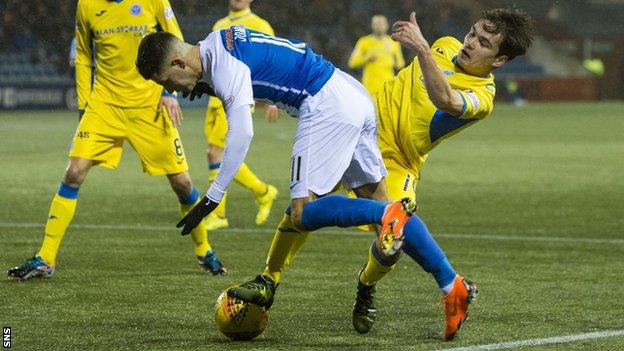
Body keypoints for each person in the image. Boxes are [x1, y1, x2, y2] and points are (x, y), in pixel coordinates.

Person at [349, 9, 536, 339]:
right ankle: (269, 280)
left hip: (399, 161)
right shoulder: (445, 44)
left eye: (483, 43)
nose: (470, 43)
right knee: (302, 204)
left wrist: (421, 48)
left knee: (392, 239)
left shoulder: (482, 97)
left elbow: (446, 99)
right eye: (473, 33)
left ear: (500, 60)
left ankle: (365, 286)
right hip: (356, 132)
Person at [7, 0, 226, 281]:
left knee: (183, 183)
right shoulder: (86, 5)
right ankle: (46, 259)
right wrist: (85, 107)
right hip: (104, 104)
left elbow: (176, 44)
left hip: (148, 104)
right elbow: (84, 55)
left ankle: (204, 250)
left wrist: (169, 94)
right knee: (74, 172)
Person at [202, 0, 279, 231]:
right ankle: (263, 192)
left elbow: (271, 59)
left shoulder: (259, 24)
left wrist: (272, 98)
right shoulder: (220, 24)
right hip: (214, 97)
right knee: (216, 152)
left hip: (236, 97)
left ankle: (218, 214)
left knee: (216, 151)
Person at [348, 15, 405, 97]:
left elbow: (401, 62)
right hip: (369, 86)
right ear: (372, 25)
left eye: (381, 24)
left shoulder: (393, 42)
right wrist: (366, 58)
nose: (379, 26)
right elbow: (352, 63)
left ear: (387, 25)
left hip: (388, 85)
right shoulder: (364, 42)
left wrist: (395, 63)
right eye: (376, 24)